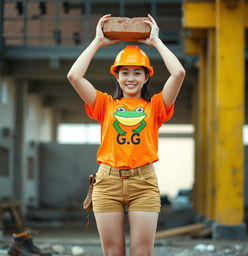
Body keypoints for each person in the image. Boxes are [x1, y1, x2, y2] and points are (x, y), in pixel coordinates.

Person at [67, 13, 185, 256]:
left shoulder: (156, 107)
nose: (130, 78)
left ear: (146, 76)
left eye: (137, 73)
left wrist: (156, 42)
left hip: (143, 183)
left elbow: (179, 74)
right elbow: (74, 76)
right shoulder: (105, 104)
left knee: (142, 253)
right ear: (117, 76)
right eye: (125, 73)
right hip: (107, 182)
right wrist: (97, 42)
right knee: (113, 253)